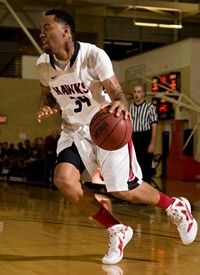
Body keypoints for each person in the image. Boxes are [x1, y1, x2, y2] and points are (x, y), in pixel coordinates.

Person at [35, 9, 198, 265]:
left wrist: (121, 103)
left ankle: (175, 206)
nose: (41, 33)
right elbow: (47, 93)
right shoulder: (43, 64)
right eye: (40, 29)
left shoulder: (92, 55)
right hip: (74, 130)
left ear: (66, 31)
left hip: (105, 127)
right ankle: (116, 229)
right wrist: (46, 105)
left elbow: (116, 92)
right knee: (64, 180)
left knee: (123, 190)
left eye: (47, 27)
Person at [129, 85, 158, 184]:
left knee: (145, 165)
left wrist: (152, 143)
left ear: (143, 94)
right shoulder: (130, 107)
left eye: (139, 91)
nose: (136, 94)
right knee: (133, 164)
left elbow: (154, 125)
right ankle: (135, 189)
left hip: (145, 137)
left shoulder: (149, 107)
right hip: (133, 137)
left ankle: (147, 190)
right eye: (135, 91)